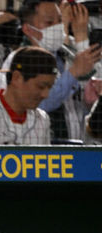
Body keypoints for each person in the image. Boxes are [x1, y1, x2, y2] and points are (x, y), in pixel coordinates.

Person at [15, 0, 101, 141]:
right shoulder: (18, 60)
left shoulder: (66, 54)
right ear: (28, 29)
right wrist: (73, 73)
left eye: (60, 20)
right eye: (49, 23)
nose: (57, 26)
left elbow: (84, 108)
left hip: (80, 148)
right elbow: (36, 105)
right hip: (45, 149)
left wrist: (93, 94)